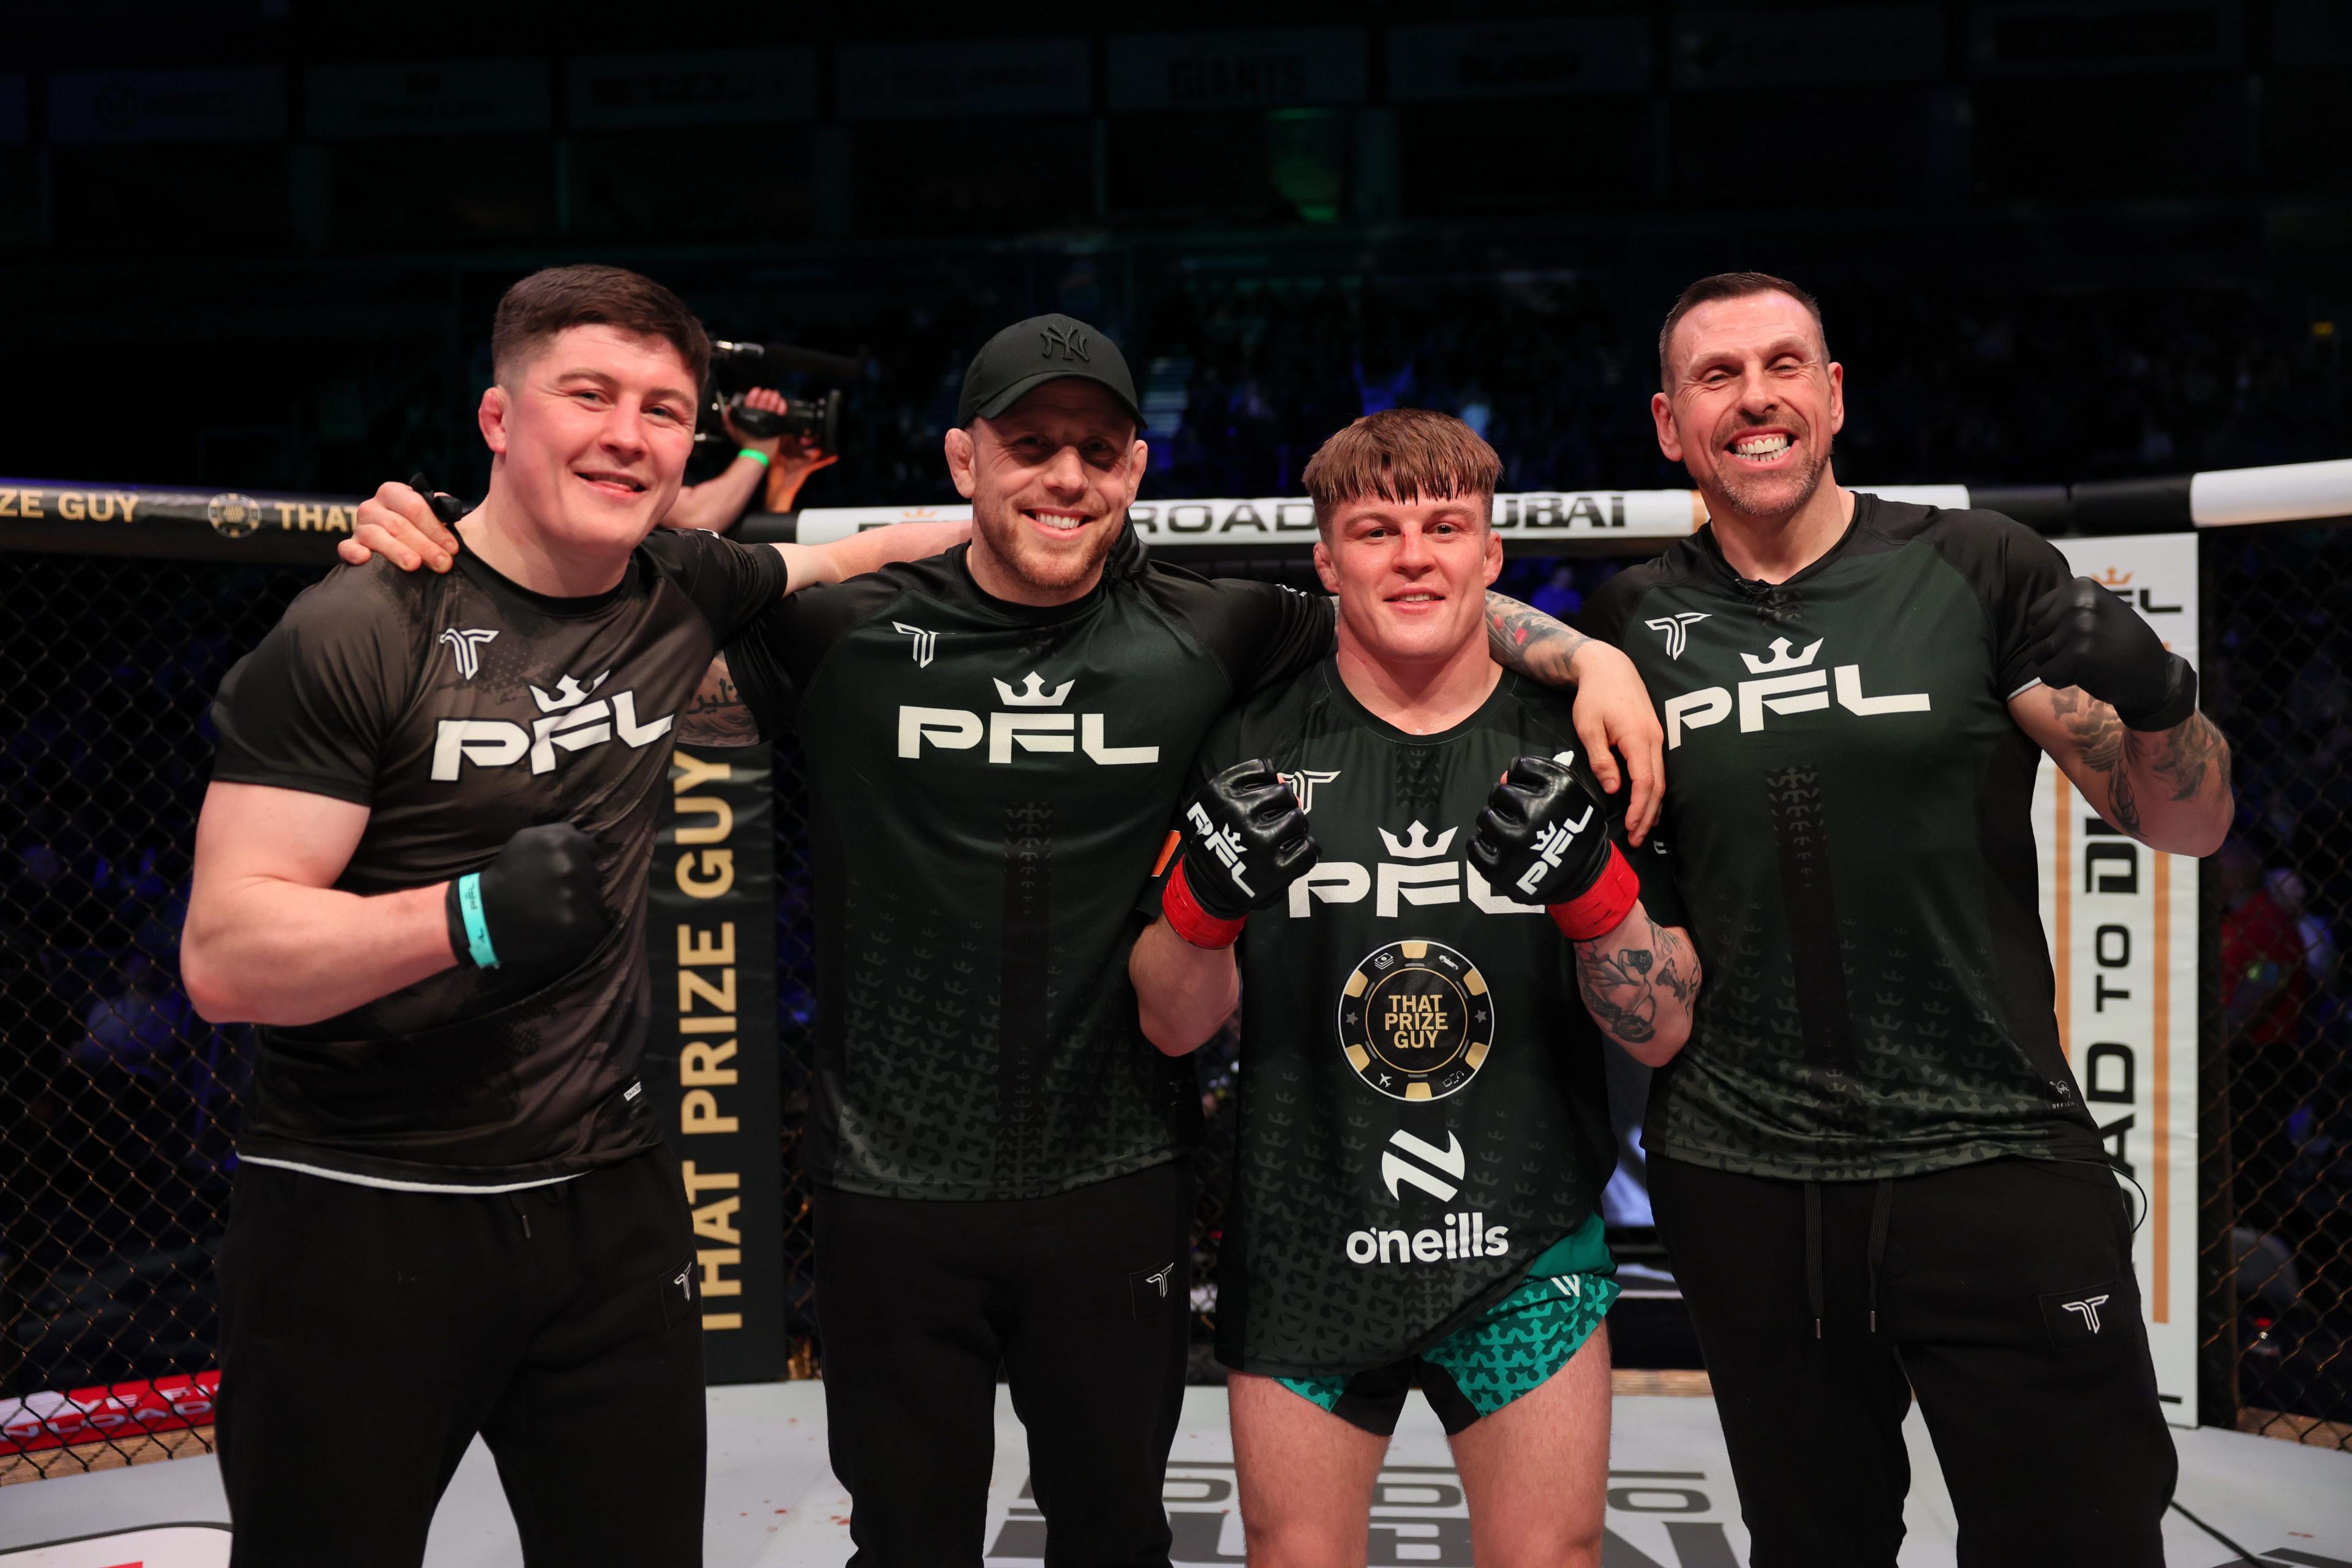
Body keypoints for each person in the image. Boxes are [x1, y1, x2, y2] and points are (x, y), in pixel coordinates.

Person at [341, 311, 1665, 1566]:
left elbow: (1410, 598)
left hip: (1118, 1174)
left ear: (1136, 468)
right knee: (908, 1539)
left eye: (1097, 450)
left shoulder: (1209, 627)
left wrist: (1584, 659)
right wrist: (447, 536)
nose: (1066, 477)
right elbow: (621, 587)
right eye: (1030, 446)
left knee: (1111, 1536)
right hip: (886, 1181)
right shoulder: (848, 627)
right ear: (965, 456)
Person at [181, 264, 959, 1568]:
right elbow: (224, 954)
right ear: (498, 419)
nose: (629, 432)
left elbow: (867, 552)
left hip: (607, 1207)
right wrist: (463, 916)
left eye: (664, 408)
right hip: (365, 1207)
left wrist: (1068, 513)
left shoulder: (680, 584)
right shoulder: (361, 623)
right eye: (588, 393)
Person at [1579, 270, 2234, 1566]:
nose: (1755, 396)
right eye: (1718, 375)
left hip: (1991, 1152)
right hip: (1752, 1178)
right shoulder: (1629, 626)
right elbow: (1642, 1002)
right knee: (1813, 1543)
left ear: (1833, 396)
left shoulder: (1972, 563)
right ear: (1668, 425)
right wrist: (1580, 877)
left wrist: (2162, 696)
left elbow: (2185, 822)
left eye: (1784, 365)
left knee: (2083, 1538)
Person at [1126, 410, 1700, 1567]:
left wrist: (1593, 895)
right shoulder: (1245, 735)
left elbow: (1664, 1025)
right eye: (1375, 530)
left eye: (1447, 527)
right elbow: (1171, 1018)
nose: (1415, 556)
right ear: (1326, 558)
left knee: (1552, 1559)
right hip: (1305, 1232)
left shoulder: (1579, 734)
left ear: (1493, 555)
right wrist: (1204, 905)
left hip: (1525, 1239)